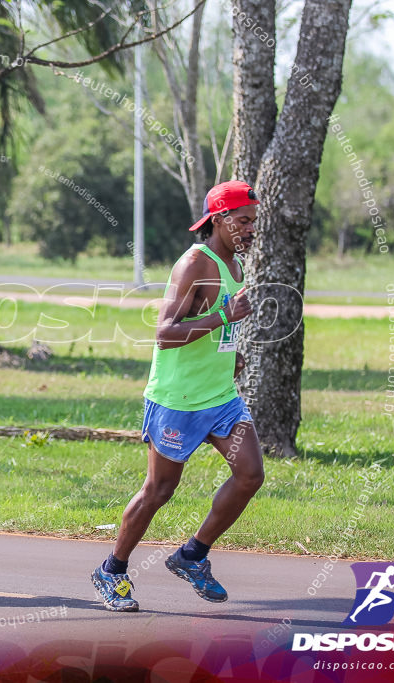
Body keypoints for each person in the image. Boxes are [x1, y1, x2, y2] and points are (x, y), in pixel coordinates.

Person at [91, 180, 264, 611]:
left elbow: (214, 330)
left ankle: (192, 555)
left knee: (250, 474)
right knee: (159, 490)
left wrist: (232, 353)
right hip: (178, 401)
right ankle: (111, 570)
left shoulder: (235, 267)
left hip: (220, 397)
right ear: (220, 220)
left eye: (254, 223)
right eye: (243, 221)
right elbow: (165, 334)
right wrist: (225, 314)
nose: (250, 230)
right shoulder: (194, 264)